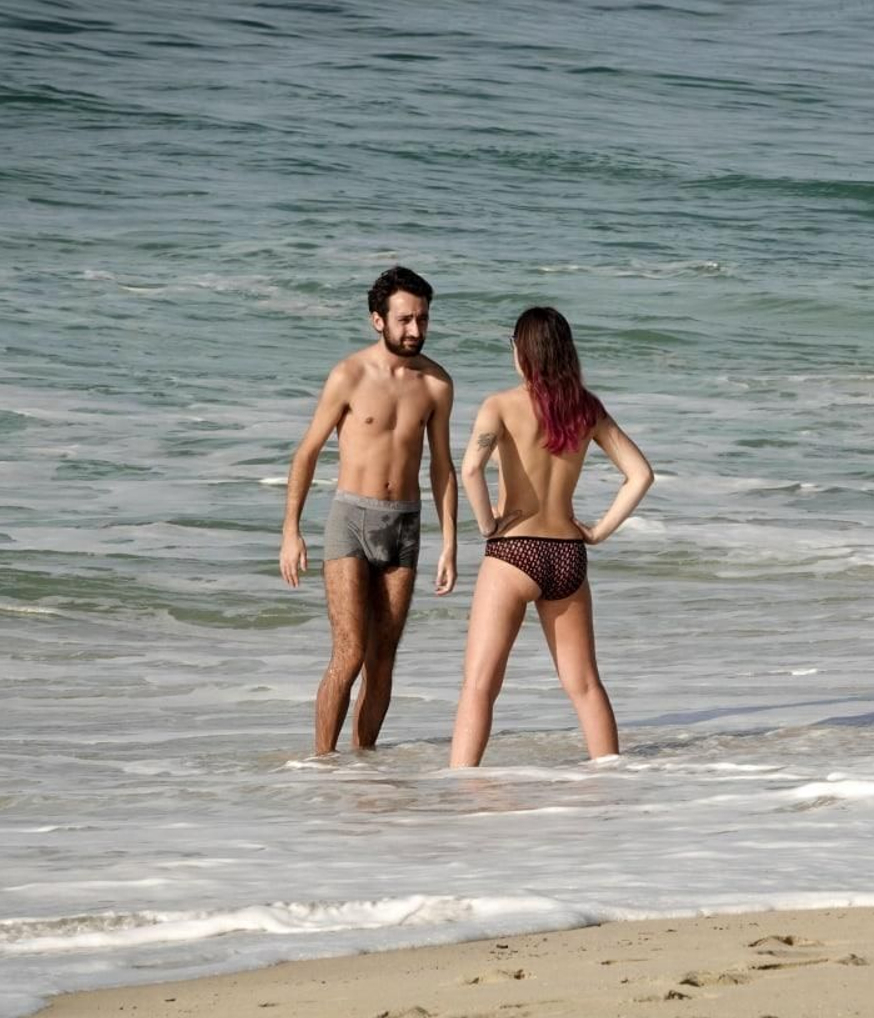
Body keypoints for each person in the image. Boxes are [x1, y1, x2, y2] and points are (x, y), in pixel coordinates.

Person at [449, 306, 653, 767]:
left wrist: (487, 525)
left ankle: (462, 785)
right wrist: (597, 532)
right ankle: (611, 778)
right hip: (567, 555)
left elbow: (471, 469)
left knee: (479, 685)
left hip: (513, 551)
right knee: (585, 685)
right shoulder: (586, 409)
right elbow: (640, 474)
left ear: (521, 351)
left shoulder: (500, 405)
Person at [279, 266, 457, 755]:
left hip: (405, 525)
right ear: (378, 320)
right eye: (405, 319)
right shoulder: (349, 375)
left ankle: (363, 765)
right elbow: (307, 452)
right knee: (350, 652)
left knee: (382, 661)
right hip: (351, 520)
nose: (416, 329)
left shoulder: (437, 384)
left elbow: (442, 467)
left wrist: (450, 543)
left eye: (422, 319)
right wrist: (291, 530)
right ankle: (323, 761)